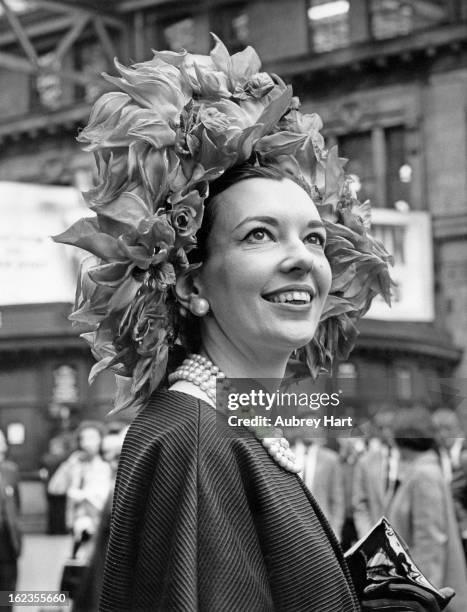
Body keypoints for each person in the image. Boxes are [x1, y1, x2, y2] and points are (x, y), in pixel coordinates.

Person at [54, 35, 452, 611]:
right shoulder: (192, 441)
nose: (303, 258)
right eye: (259, 234)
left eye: (313, 237)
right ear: (190, 283)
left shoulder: (224, 424)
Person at [388, 407, 467, 612]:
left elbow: (430, 544)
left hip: (431, 596)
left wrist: (422, 598)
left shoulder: (424, 474)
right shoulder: (422, 470)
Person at [48, 421, 112, 558]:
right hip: (79, 528)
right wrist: (69, 465)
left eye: (92, 437)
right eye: (84, 438)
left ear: (101, 440)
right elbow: (55, 488)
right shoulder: (76, 464)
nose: (88, 442)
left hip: (104, 526)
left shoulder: (109, 466)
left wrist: (83, 495)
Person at [352, 409, 400, 539]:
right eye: (381, 428)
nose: (386, 432)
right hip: (374, 536)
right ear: (375, 430)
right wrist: (367, 537)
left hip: (404, 538)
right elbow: (360, 504)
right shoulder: (365, 461)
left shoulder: (409, 461)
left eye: (389, 427)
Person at [292, 436, 345, 537]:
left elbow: (338, 499)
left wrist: (336, 530)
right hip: (292, 526)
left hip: (322, 527)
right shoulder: (285, 454)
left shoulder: (331, 459)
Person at [0, 429, 21, 612]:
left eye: (2, 450)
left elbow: (16, 505)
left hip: (7, 541)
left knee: (7, 593)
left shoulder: (10, 470)